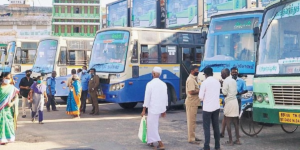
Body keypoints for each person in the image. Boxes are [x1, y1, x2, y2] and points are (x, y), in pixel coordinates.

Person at [141, 67, 168, 150]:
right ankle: (150, 141)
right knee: (153, 125)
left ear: (153, 74)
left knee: (152, 125)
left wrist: (143, 110)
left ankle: (160, 143)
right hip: (160, 108)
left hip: (153, 108)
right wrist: (164, 110)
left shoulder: (150, 84)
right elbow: (165, 97)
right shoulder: (164, 84)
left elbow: (147, 98)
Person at [198, 67, 221, 150]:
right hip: (216, 107)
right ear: (212, 73)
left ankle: (206, 146)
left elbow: (200, 97)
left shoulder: (205, 83)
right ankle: (217, 146)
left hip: (207, 108)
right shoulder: (217, 82)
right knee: (216, 126)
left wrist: (205, 99)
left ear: (206, 74)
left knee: (207, 127)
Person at [221, 68, 240, 146]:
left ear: (225, 74)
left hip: (229, 102)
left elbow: (224, 93)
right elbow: (236, 92)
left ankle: (230, 141)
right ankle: (237, 140)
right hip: (235, 102)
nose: (221, 75)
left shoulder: (226, 81)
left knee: (228, 122)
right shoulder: (233, 80)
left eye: (222, 74)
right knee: (236, 122)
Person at [0, 72, 19, 145]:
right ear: (3, 78)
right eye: (6, 78)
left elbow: (16, 97)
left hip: (7, 109)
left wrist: (12, 103)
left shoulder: (12, 88)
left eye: (9, 78)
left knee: (8, 123)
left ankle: (6, 138)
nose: (7, 80)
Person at [185, 65, 201, 144]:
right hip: (191, 103)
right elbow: (191, 92)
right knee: (191, 122)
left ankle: (193, 136)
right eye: (196, 70)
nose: (197, 71)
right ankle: (191, 139)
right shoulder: (191, 80)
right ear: (192, 71)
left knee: (193, 121)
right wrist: (200, 90)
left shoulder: (194, 79)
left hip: (194, 103)